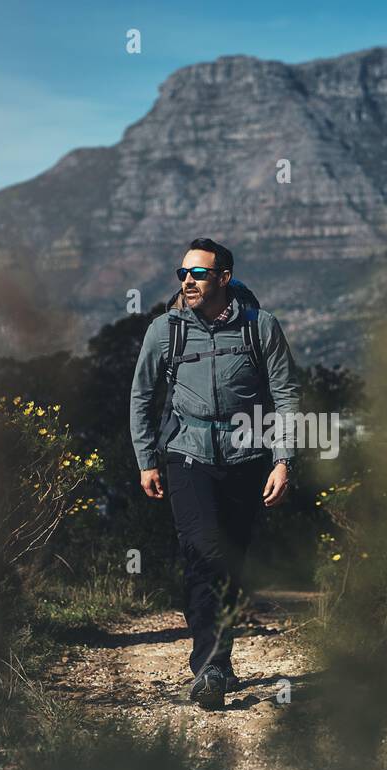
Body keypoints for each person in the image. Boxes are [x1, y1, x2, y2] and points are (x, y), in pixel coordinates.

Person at [129, 238, 301, 708]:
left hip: (247, 457)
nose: (188, 280)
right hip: (187, 456)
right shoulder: (164, 331)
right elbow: (142, 396)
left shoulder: (261, 327)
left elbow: (285, 395)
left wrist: (283, 460)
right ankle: (211, 667)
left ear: (223, 277)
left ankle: (219, 658)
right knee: (204, 554)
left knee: (232, 560)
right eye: (183, 273)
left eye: (198, 273)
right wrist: (147, 459)